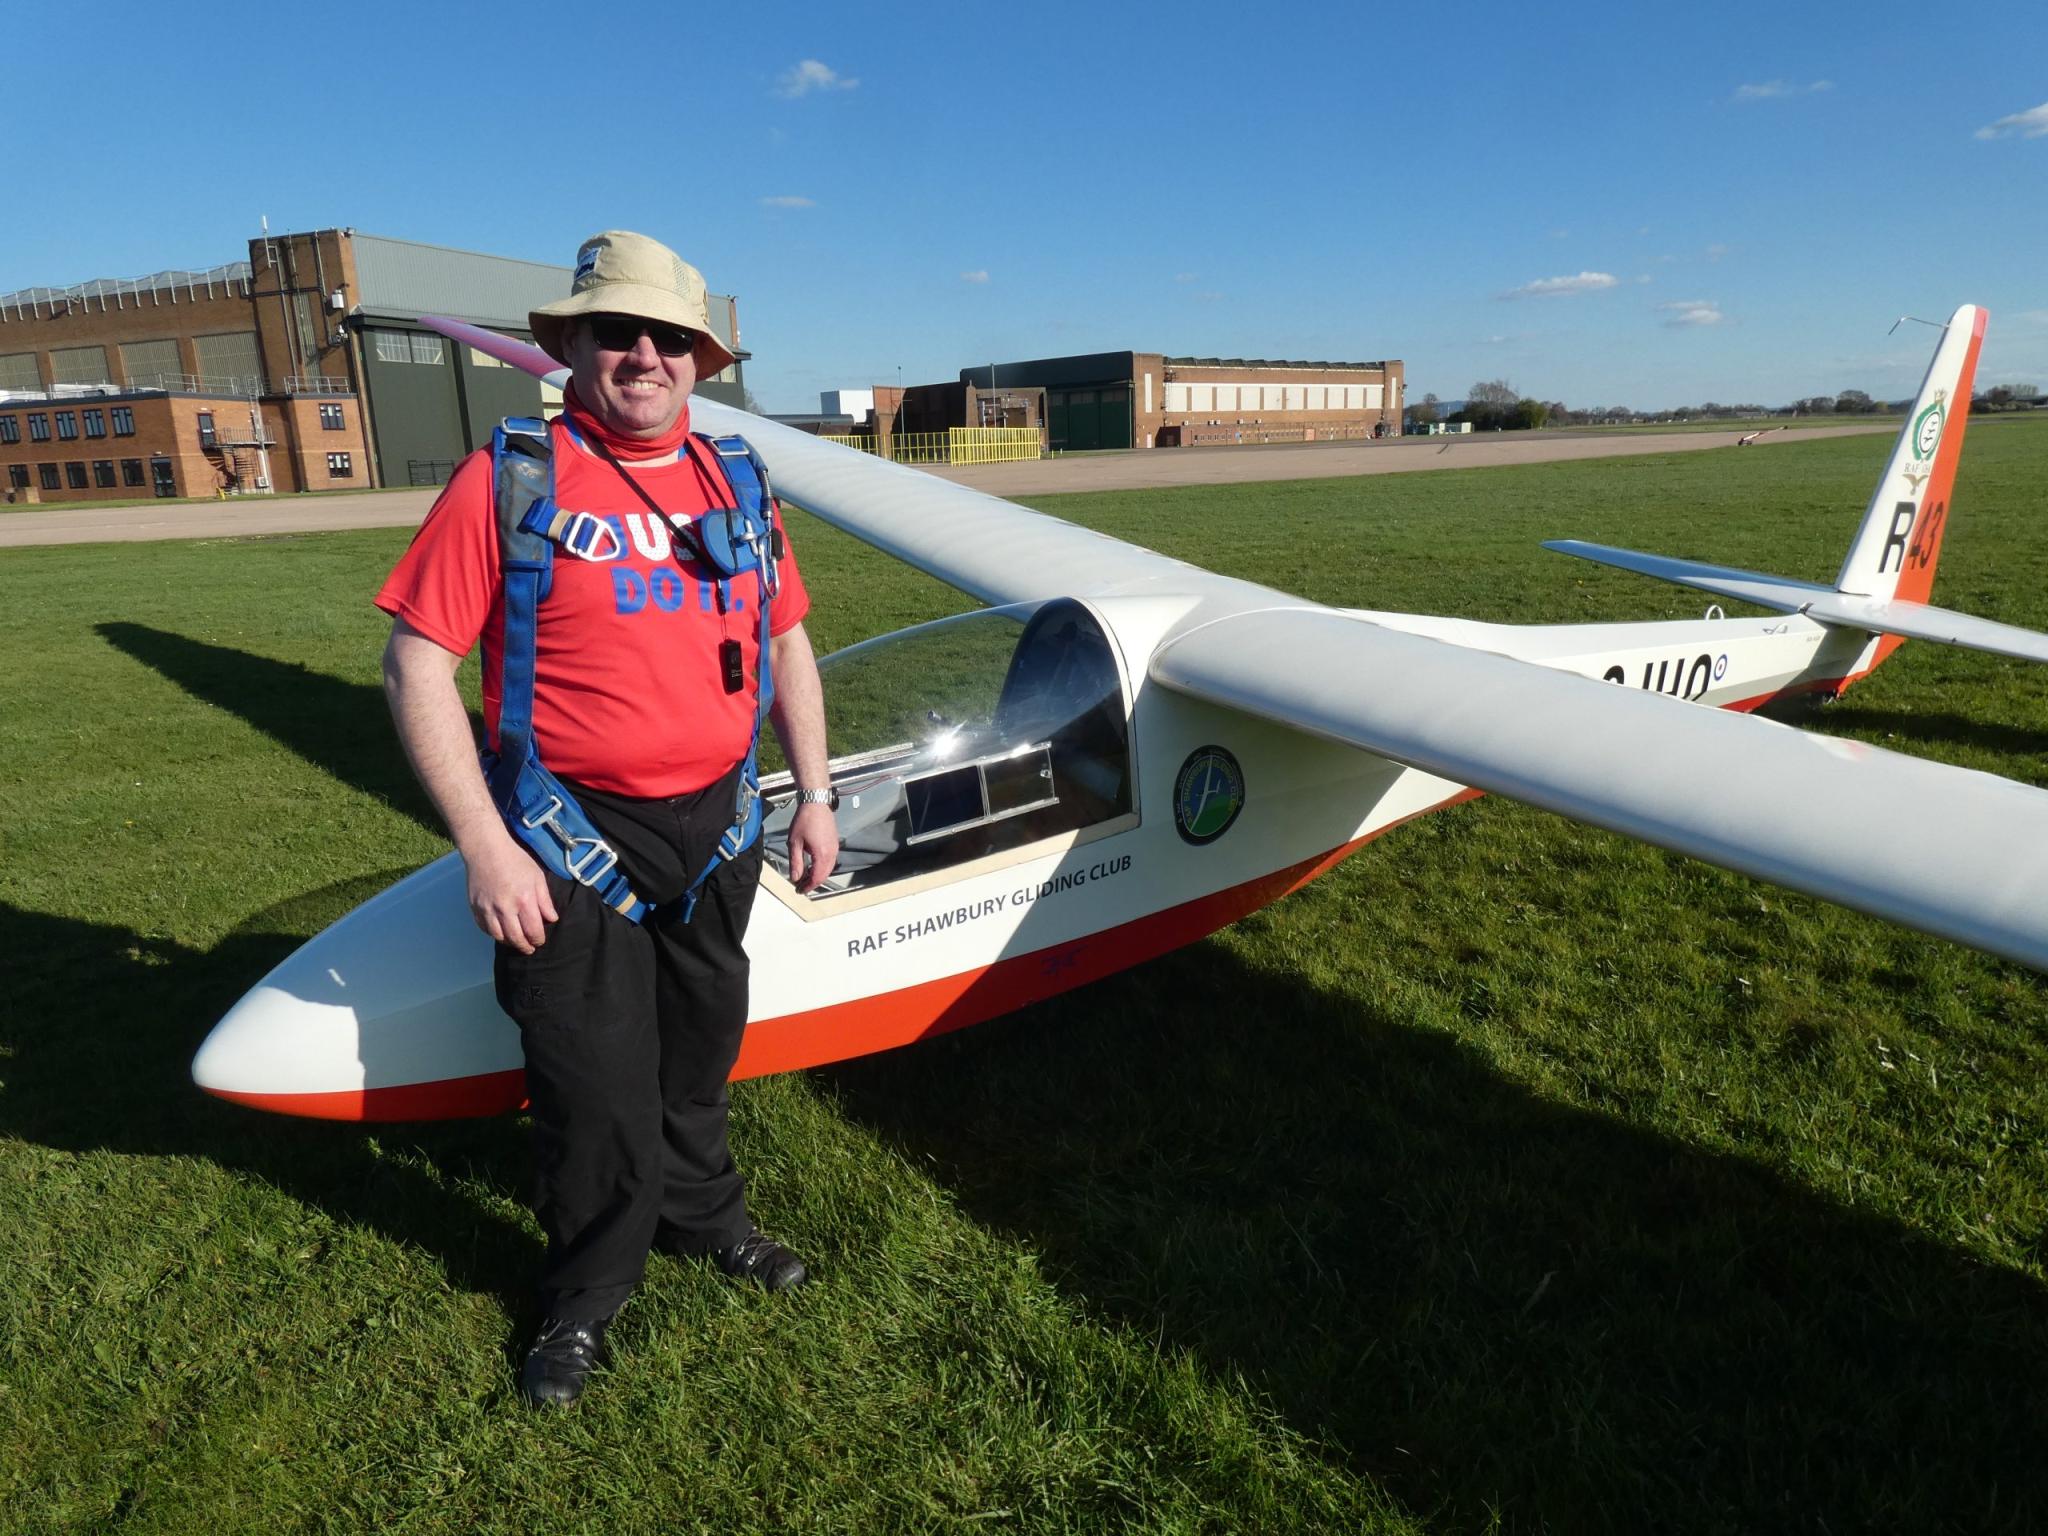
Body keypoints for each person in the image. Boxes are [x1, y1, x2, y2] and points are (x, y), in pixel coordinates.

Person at [375, 230, 839, 1408]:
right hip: (566, 833)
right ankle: (585, 1292)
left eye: (668, 337)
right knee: (588, 1081)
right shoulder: (511, 478)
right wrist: (485, 844)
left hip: (719, 826)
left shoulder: (737, 479)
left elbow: (786, 638)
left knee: (699, 1053)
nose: (644, 355)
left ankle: (704, 1218)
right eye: (617, 332)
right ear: (572, 346)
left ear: (699, 359)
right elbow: (417, 662)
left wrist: (814, 793)